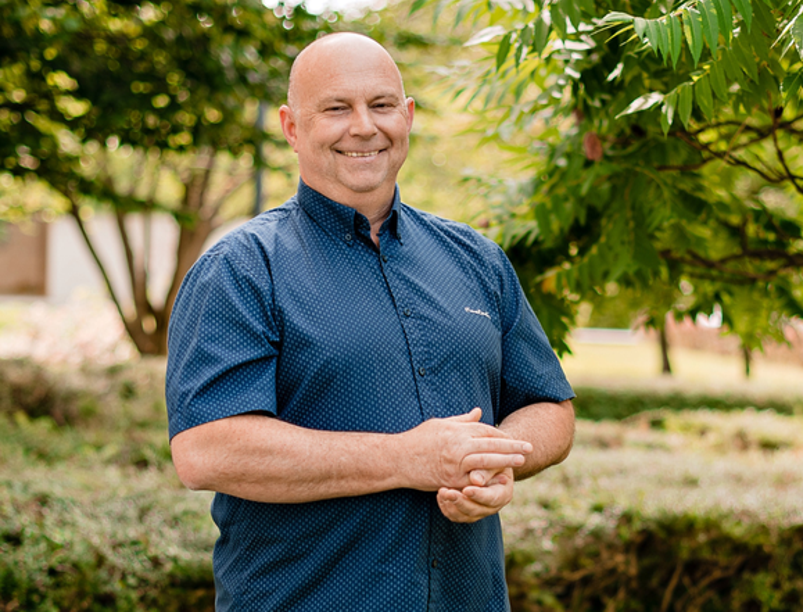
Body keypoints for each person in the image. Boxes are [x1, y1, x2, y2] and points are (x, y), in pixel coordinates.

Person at [165, 32, 575, 611]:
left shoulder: (477, 260)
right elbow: (207, 450)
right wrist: (408, 458)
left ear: (407, 116)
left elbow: (551, 407)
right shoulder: (241, 268)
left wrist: (494, 457)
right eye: (336, 108)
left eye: (381, 105)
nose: (363, 127)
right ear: (291, 127)